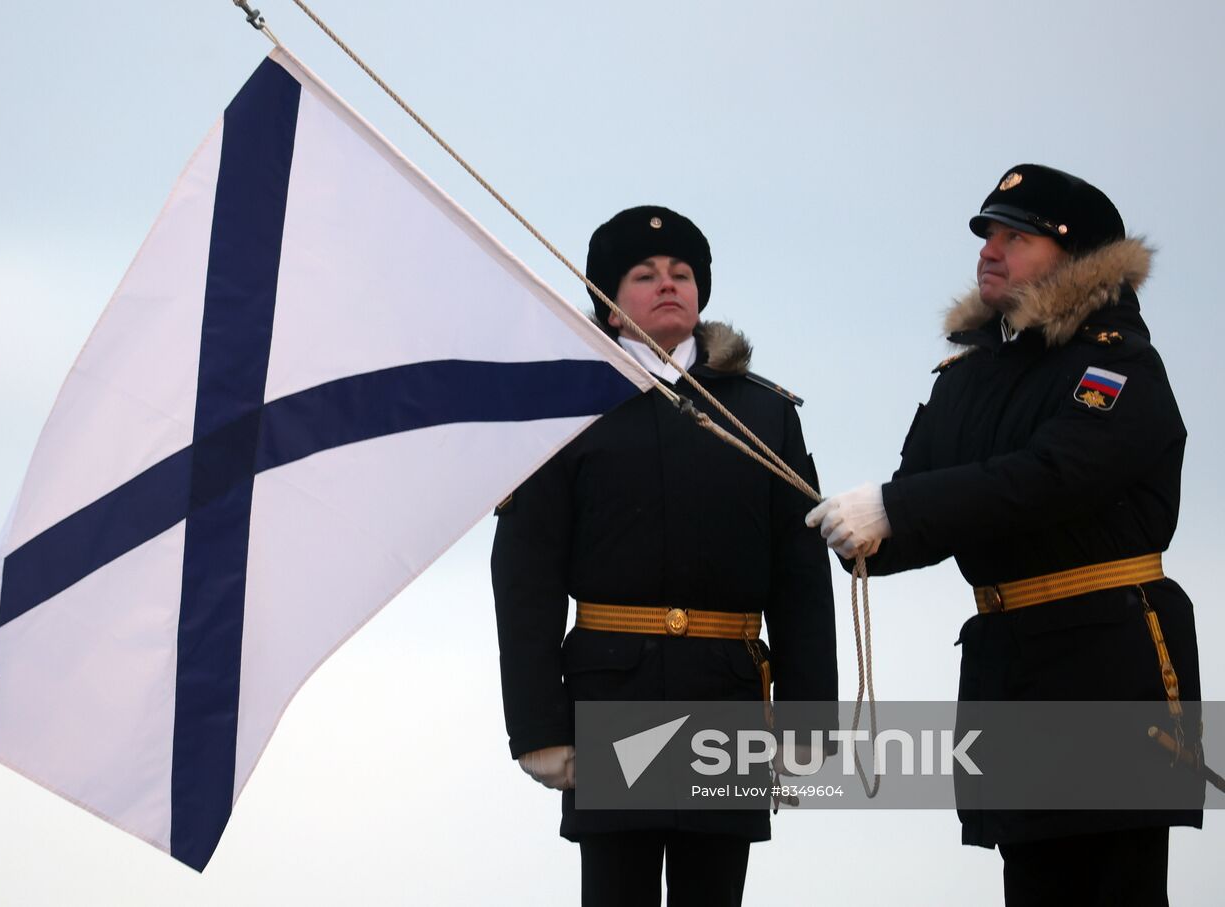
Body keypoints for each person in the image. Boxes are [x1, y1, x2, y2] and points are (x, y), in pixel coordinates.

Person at [807, 164, 1204, 906]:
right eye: (988, 234)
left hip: (1106, 669)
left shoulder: (1117, 364)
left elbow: (1051, 475)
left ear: (1078, 257)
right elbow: (924, 511)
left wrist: (894, 506)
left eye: (1016, 236)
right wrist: (857, 532)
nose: (990, 249)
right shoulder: (969, 378)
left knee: (1114, 884)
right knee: (1031, 884)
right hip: (1010, 666)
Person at [492, 205, 838, 907]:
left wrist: (810, 716)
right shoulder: (570, 408)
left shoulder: (763, 414)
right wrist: (537, 724)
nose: (668, 283)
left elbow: (801, 576)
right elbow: (524, 574)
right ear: (609, 302)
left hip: (726, 695)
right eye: (644, 274)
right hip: (611, 695)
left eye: (682, 273)